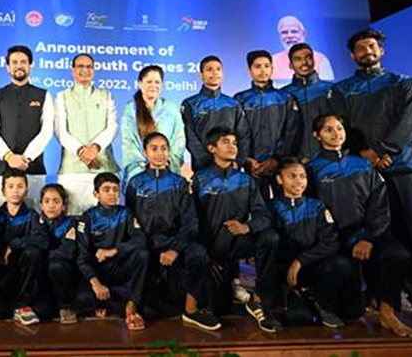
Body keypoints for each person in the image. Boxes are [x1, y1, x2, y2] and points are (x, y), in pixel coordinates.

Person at [333, 29, 412, 322]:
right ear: (352, 55)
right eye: (360, 47)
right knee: (370, 233)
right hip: (362, 169)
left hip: (400, 166)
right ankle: (377, 293)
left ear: (381, 51)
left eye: (371, 45)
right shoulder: (342, 90)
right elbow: (342, 125)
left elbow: (409, 123)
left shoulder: (403, 83)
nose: (367, 50)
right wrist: (364, 152)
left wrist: (384, 151)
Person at [307, 114, 412, 337]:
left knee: (397, 254)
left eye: (339, 128)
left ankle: (387, 313)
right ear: (317, 135)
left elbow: (379, 205)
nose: (336, 133)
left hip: (367, 231)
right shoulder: (311, 170)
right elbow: (312, 211)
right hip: (336, 237)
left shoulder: (363, 165)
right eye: (328, 130)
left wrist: (368, 237)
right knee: (352, 311)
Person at [125, 132, 221, 331]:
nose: (160, 153)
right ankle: (133, 305)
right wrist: (144, 245)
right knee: (150, 312)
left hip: (175, 243)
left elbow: (191, 223)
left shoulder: (179, 183)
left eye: (164, 148)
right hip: (148, 246)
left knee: (199, 253)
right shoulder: (135, 184)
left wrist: (175, 249)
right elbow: (131, 223)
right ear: (145, 152)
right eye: (154, 149)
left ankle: (191, 311)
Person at [192, 127, 281, 333]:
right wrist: (205, 255)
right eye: (225, 142)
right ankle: (238, 289)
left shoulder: (246, 181)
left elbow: (263, 216)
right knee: (219, 307)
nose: (232, 146)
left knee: (270, 238)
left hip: (240, 247)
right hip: (213, 253)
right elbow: (192, 221)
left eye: (234, 142)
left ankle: (257, 300)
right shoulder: (200, 179)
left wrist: (247, 226)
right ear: (211, 148)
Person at [269, 157, 356, 328]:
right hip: (284, 271)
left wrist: (301, 260)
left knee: (341, 264)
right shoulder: (271, 207)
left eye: (302, 176)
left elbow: (331, 242)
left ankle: (322, 303)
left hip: (312, 265)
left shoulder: (317, 206)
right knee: (300, 319)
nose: (299, 181)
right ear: (280, 179)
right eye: (292, 176)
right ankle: (293, 298)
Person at [77, 172, 149, 331]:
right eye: (106, 190)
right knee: (82, 302)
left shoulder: (126, 213)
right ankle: (107, 301)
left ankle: (132, 305)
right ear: (96, 193)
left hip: (120, 268)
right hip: (98, 272)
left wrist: (114, 251)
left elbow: (140, 240)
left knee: (142, 254)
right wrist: (95, 283)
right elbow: (81, 257)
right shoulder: (87, 217)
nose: (112, 194)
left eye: (115, 190)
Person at [0, 45, 53, 212]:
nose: (19, 65)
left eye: (23, 62)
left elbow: (46, 132)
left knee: (34, 216)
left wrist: (26, 158)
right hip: (2, 169)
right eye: (14, 62)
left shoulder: (43, 95)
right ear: (7, 67)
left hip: (33, 168)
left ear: (31, 65)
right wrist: (9, 157)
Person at [54, 53, 119, 215]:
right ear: (73, 71)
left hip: (104, 166)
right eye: (80, 66)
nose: (85, 70)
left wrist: (95, 148)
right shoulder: (62, 96)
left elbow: (112, 127)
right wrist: (81, 151)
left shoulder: (106, 95)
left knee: (106, 221)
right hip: (72, 170)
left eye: (89, 66)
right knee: (72, 221)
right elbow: (60, 131)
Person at [0, 170, 50, 325]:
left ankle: (22, 304)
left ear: (26, 190)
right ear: (3, 190)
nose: (15, 190)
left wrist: (14, 244)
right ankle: (11, 303)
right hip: (2, 274)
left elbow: (43, 241)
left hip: (27, 275)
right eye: (11, 186)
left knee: (45, 312)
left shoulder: (32, 215)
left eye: (20, 186)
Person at [234, 50, 298, 199]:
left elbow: (291, 132)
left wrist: (276, 159)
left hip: (280, 165)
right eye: (257, 66)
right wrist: (246, 159)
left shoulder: (285, 98)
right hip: (252, 167)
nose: (263, 70)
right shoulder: (240, 99)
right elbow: (237, 133)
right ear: (249, 70)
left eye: (266, 66)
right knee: (257, 210)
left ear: (272, 69)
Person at [181, 55, 251, 172]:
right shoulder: (190, 104)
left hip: (231, 168)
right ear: (201, 75)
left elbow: (243, 135)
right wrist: (207, 161)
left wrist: (238, 161)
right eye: (209, 69)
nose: (214, 73)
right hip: (203, 169)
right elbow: (190, 137)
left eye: (218, 69)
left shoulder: (233, 104)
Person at [121, 65, 184, 185]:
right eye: (149, 81)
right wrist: (145, 166)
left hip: (167, 169)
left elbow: (179, 139)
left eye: (157, 82)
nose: (153, 85)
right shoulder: (131, 109)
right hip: (141, 173)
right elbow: (129, 142)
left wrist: (167, 161)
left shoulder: (170, 108)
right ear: (140, 83)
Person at [280, 43, 342, 162]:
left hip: (329, 161)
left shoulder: (331, 90)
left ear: (314, 60)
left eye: (308, 57)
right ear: (290, 65)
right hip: (296, 163)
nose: (304, 62)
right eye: (298, 59)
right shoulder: (284, 95)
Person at [41, 183, 87, 325]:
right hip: (41, 276)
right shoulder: (36, 222)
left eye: (56, 201)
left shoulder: (70, 223)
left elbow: (68, 251)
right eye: (47, 201)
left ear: (63, 205)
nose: (51, 206)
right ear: (41, 205)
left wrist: (44, 257)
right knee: (43, 313)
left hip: (64, 274)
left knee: (57, 265)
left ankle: (65, 306)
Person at [271, 16, 334, 81]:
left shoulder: (321, 60)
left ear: (303, 34)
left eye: (294, 31)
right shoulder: (273, 61)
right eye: (284, 32)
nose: (289, 36)